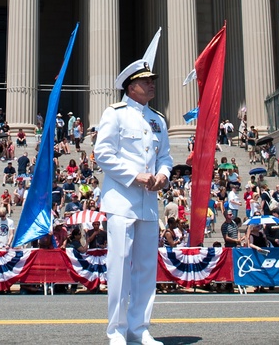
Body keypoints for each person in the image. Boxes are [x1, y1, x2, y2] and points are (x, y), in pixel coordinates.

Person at [94, 58, 172, 345]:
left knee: (146, 268)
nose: (151, 84)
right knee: (119, 266)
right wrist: (134, 176)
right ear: (130, 87)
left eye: (152, 80)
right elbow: (103, 153)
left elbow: (165, 157)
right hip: (122, 200)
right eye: (145, 81)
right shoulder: (115, 114)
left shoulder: (157, 119)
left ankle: (139, 329)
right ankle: (116, 330)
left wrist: (163, 175)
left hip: (148, 202)